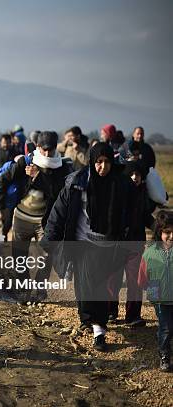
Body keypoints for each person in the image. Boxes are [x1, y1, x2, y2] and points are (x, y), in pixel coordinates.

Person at [43, 142, 134, 351]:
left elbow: (131, 213)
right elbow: (59, 212)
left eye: (107, 162)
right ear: (93, 162)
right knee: (83, 284)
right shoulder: (77, 182)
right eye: (99, 162)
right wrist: (50, 237)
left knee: (99, 285)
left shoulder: (120, 184)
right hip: (82, 242)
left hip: (109, 244)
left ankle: (98, 327)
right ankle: (90, 322)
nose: (103, 167)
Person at [0, 131, 74, 302]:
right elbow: (2, 181)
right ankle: (24, 288)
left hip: (45, 221)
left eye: (50, 150)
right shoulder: (26, 161)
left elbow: (58, 193)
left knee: (46, 255)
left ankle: (40, 287)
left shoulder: (62, 167)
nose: (47, 154)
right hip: (21, 218)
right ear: (37, 147)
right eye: (43, 150)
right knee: (19, 256)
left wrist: (38, 177)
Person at [108, 161, 155, 326]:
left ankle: (133, 315)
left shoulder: (143, 195)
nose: (135, 177)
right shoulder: (116, 193)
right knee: (112, 280)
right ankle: (109, 312)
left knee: (135, 281)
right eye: (131, 174)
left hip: (136, 245)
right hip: (116, 245)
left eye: (138, 175)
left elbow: (147, 217)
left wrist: (160, 228)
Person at [138, 210, 173, 372]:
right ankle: (165, 354)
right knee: (166, 327)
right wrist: (150, 291)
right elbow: (143, 276)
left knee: (168, 327)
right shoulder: (150, 252)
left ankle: (162, 338)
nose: (171, 236)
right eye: (167, 232)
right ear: (160, 232)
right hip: (160, 299)